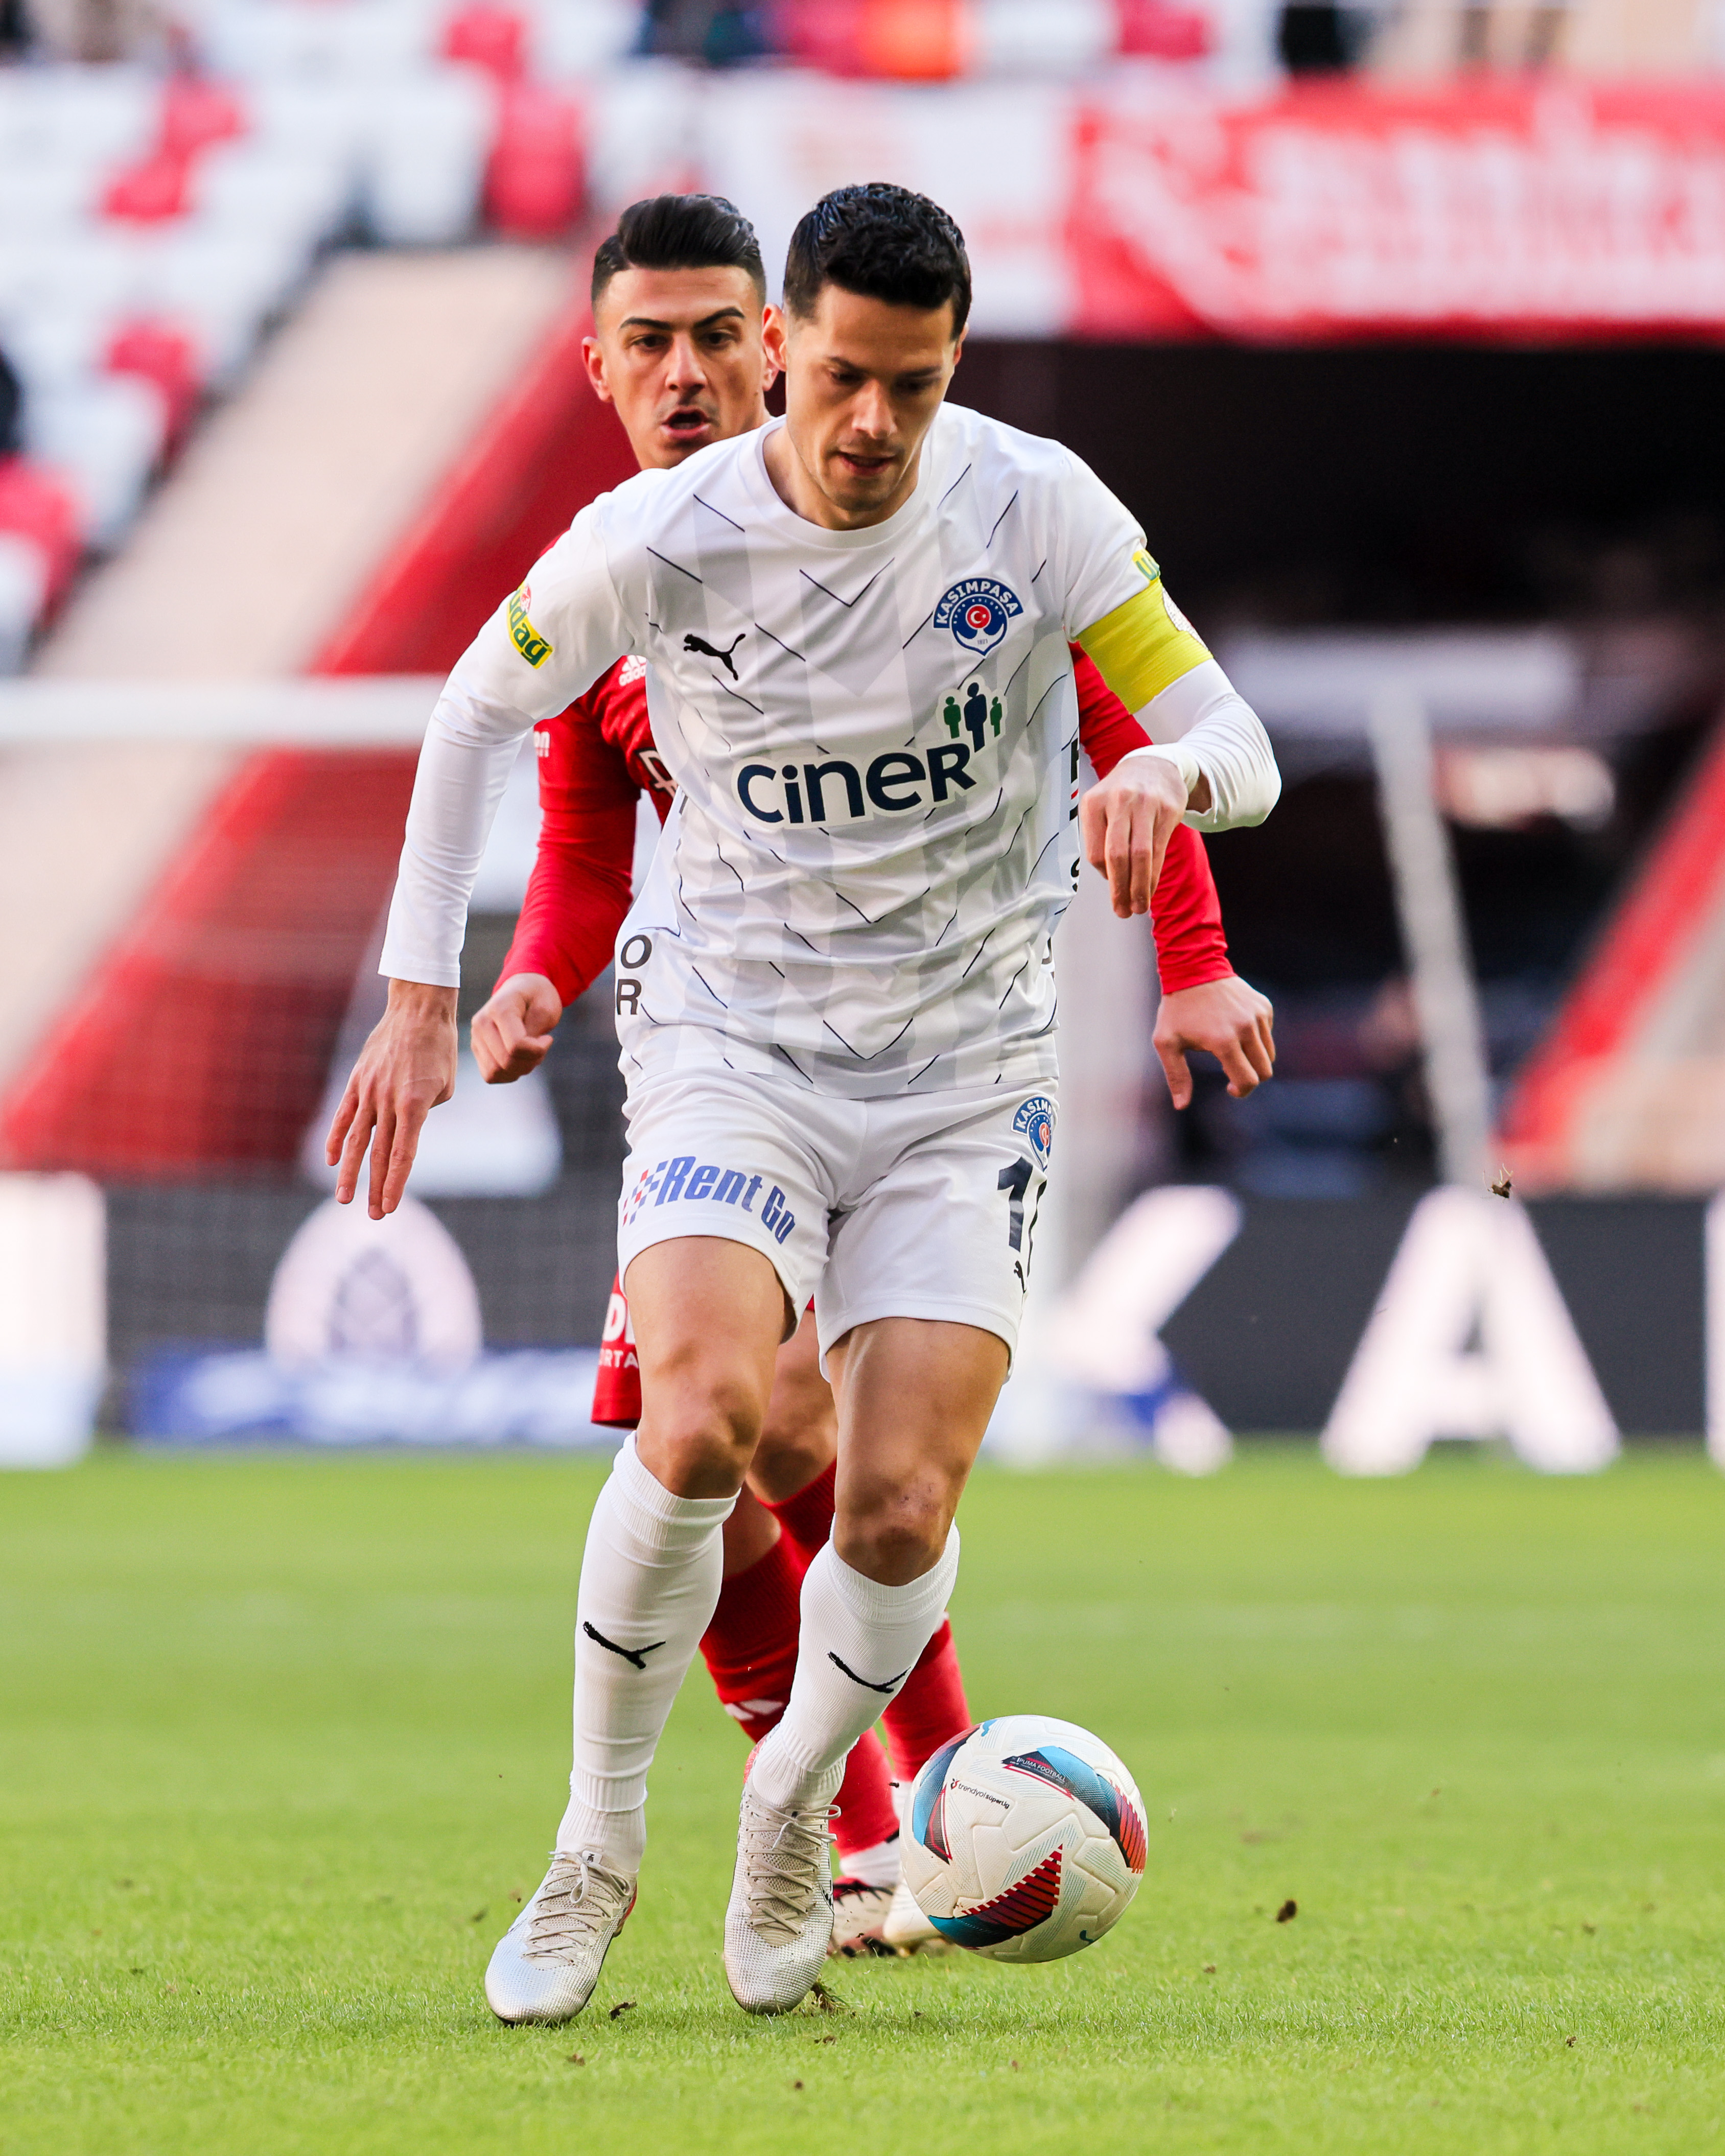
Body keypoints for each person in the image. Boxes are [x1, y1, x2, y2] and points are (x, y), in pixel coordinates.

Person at [328, 181, 1280, 2026]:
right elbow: (470, 717)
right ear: (790, 351)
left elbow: (1219, 730)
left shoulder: (1040, 508)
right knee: (705, 1420)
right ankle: (598, 1841)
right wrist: (428, 996)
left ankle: (791, 1812)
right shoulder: (659, 536)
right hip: (732, 1045)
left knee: (899, 1504)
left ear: (952, 366)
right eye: (843, 378)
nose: (872, 424)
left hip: (964, 1071)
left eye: (914, 386)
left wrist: (1172, 785)